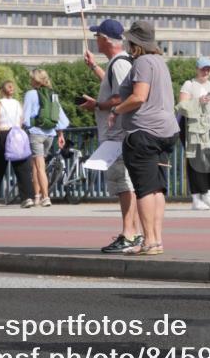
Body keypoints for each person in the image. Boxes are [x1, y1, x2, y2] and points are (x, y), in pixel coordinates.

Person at [108, 21, 180, 256]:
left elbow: (139, 97)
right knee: (157, 189)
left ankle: (148, 241)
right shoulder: (160, 62)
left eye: (129, 40)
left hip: (143, 133)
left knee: (144, 190)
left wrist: (116, 111)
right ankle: (156, 240)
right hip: (166, 131)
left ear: (135, 43)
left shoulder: (141, 63)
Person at [79, 19, 142, 253]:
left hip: (118, 134)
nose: (95, 39)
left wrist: (98, 105)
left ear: (105, 39)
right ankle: (131, 233)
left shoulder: (120, 64)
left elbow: (122, 97)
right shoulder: (118, 63)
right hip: (118, 134)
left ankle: (129, 233)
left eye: (97, 36)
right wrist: (95, 68)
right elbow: (119, 87)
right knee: (123, 184)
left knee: (124, 184)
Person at [177, 56, 210, 211]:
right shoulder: (189, 84)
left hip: (209, 124)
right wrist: (198, 101)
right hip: (191, 125)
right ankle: (196, 198)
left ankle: (209, 194)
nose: (206, 71)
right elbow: (181, 106)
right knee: (196, 160)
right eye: (203, 68)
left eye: (208, 68)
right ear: (197, 69)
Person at [0, 80, 36, 208]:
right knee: (23, 168)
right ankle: (27, 197)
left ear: (1, 90)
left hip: (3, 135)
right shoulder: (18, 104)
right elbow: (22, 120)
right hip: (18, 134)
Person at [23, 69, 70, 208]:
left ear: (35, 80)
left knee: (39, 167)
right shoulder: (53, 95)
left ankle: (45, 197)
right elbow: (59, 116)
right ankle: (37, 196)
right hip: (50, 134)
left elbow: (25, 117)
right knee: (36, 165)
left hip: (36, 133)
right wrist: (61, 135)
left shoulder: (30, 94)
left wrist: (22, 129)